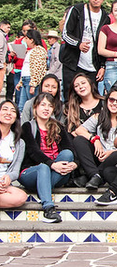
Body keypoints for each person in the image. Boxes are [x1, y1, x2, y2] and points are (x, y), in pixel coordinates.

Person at [19, 93, 77, 223]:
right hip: (31, 172)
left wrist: (75, 164)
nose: (46, 109)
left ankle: (43, 187)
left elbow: (70, 148)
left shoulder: (58, 126)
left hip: (55, 172)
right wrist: (52, 164)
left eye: (50, 106)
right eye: (43, 105)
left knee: (67, 154)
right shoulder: (28, 127)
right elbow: (33, 151)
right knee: (43, 167)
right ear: (35, 107)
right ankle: (49, 208)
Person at [73, 88, 117, 189]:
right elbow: (78, 131)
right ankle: (94, 175)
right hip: (99, 156)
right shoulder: (99, 116)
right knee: (79, 140)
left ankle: (92, 176)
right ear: (107, 101)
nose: (114, 103)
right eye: (111, 100)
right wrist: (95, 139)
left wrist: (111, 152)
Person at [61, 0, 110, 101]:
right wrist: (78, 44)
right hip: (73, 63)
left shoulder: (105, 17)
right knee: (70, 97)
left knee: (91, 98)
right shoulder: (77, 10)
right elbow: (65, 34)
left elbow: (105, 44)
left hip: (93, 66)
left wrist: (103, 65)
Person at [0, 100, 28, 208]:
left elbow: (16, 171)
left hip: (3, 184)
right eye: (5, 109)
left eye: (12, 111)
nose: (8, 113)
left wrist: (8, 177)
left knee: (21, 196)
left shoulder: (19, 142)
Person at [17, 30, 48, 112]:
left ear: (32, 39)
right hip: (25, 80)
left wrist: (33, 85)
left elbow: (37, 68)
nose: (25, 40)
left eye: (27, 38)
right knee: (22, 107)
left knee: (32, 106)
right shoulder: (30, 51)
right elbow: (26, 67)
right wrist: (20, 82)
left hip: (31, 80)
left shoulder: (39, 50)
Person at [0, 20, 10, 93]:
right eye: (7, 27)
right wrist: (1, 64)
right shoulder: (1, 36)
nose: (9, 29)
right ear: (2, 26)